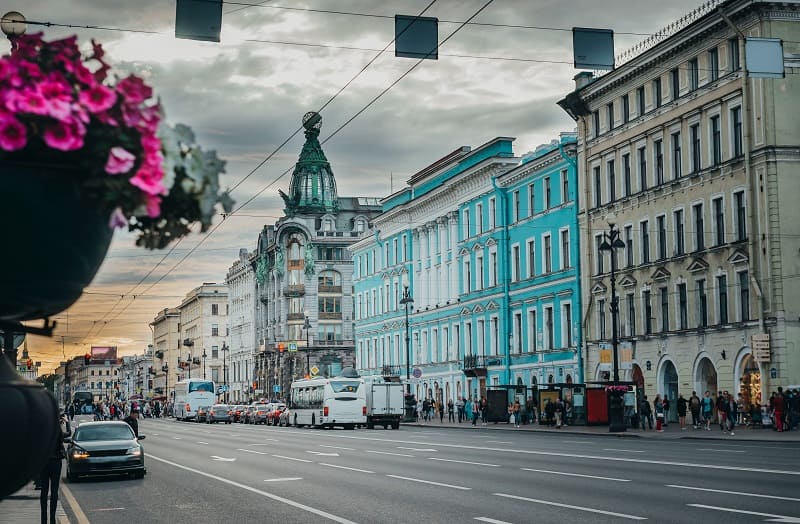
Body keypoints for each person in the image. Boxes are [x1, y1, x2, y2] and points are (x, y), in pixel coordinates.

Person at [40, 414, 70, 524]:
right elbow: (68, 433)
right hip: (56, 462)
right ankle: (52, 519)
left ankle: (43, 520)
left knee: (44, 491)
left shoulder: (42, 430)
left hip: (44, 463)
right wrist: (66, 421)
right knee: (54, 491)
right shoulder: (57, 430)